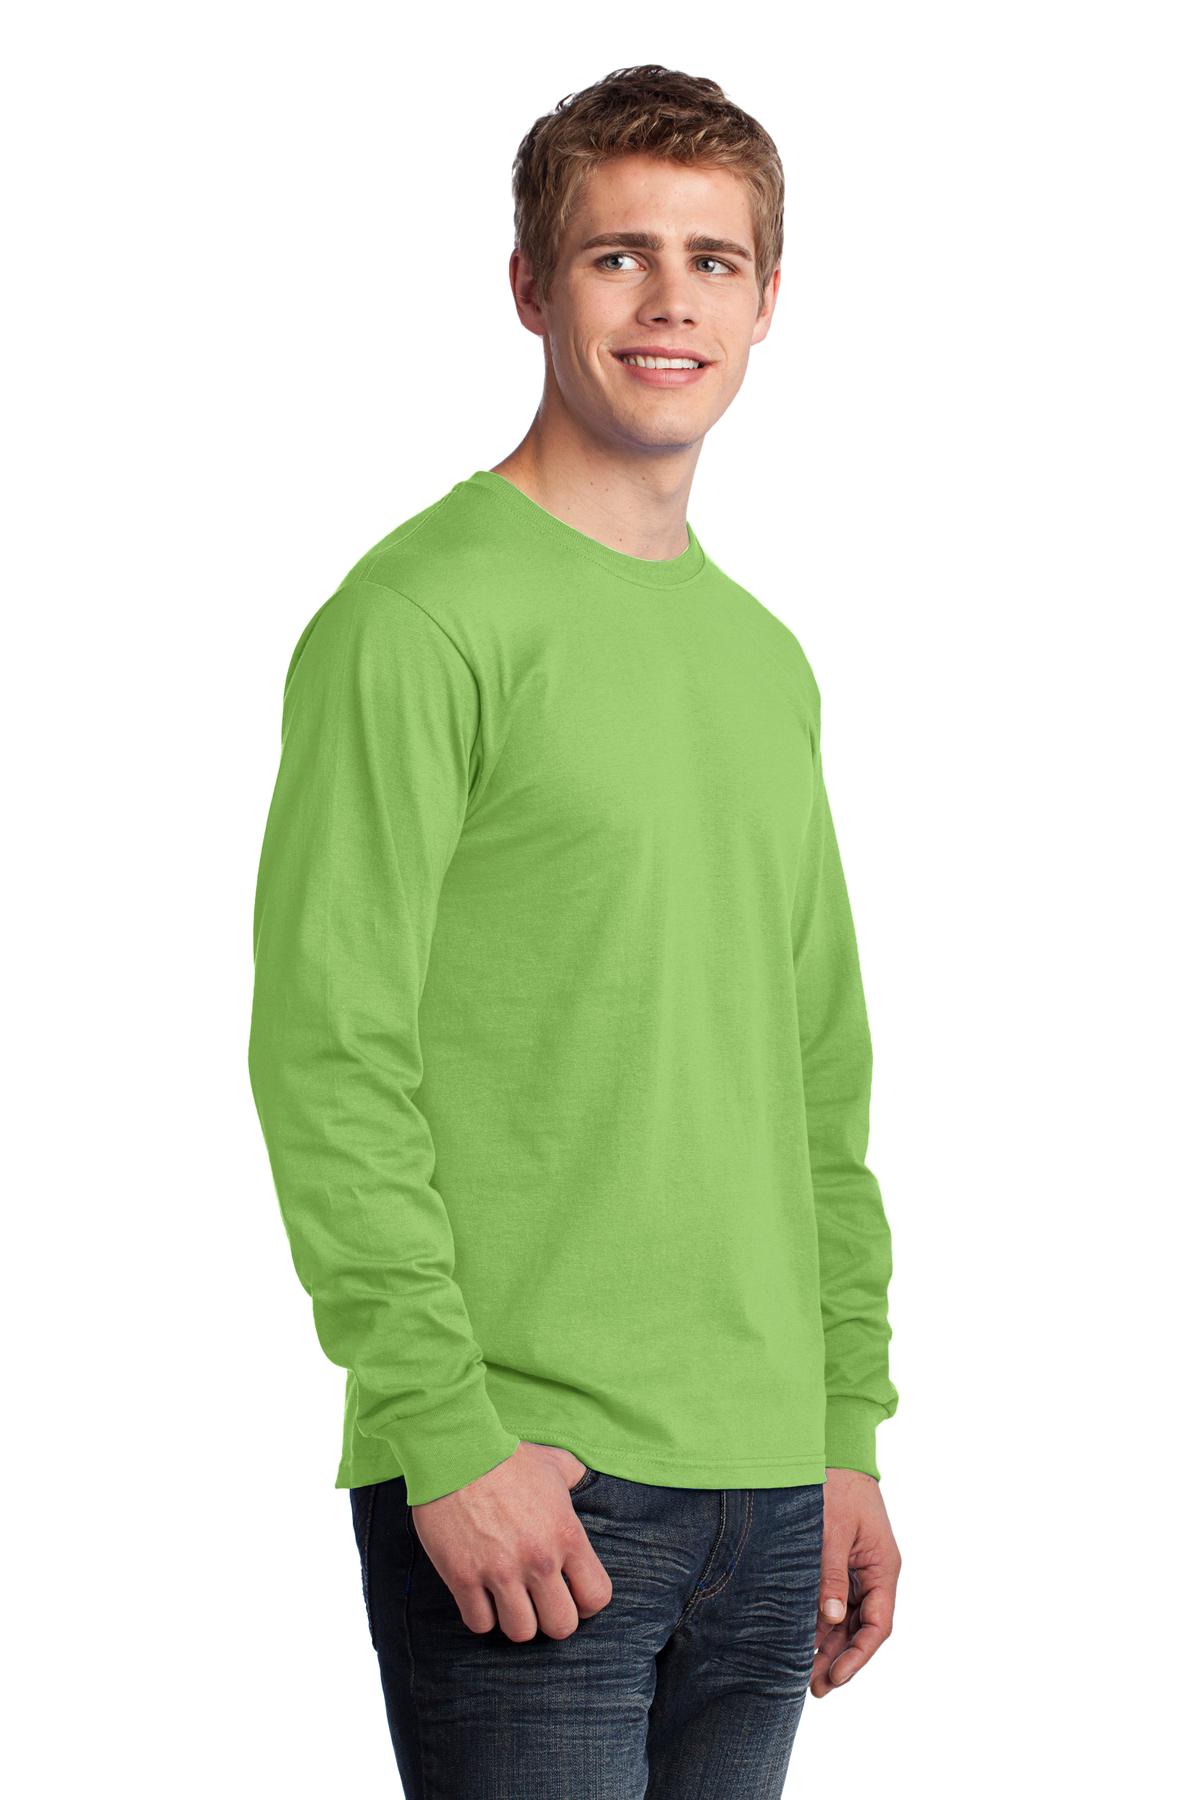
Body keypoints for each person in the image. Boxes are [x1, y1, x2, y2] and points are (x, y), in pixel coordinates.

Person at [248, 62, 901, 1799]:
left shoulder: (763, 661)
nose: (670, 299)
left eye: (712, 259)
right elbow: (326, 1051)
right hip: (533, 1479)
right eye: (619, 255)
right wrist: (442, 1431)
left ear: (768, 299)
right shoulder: (418, 620)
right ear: (531, 287)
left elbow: (814, 1078)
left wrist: (842, 1429)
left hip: (769, 1498)